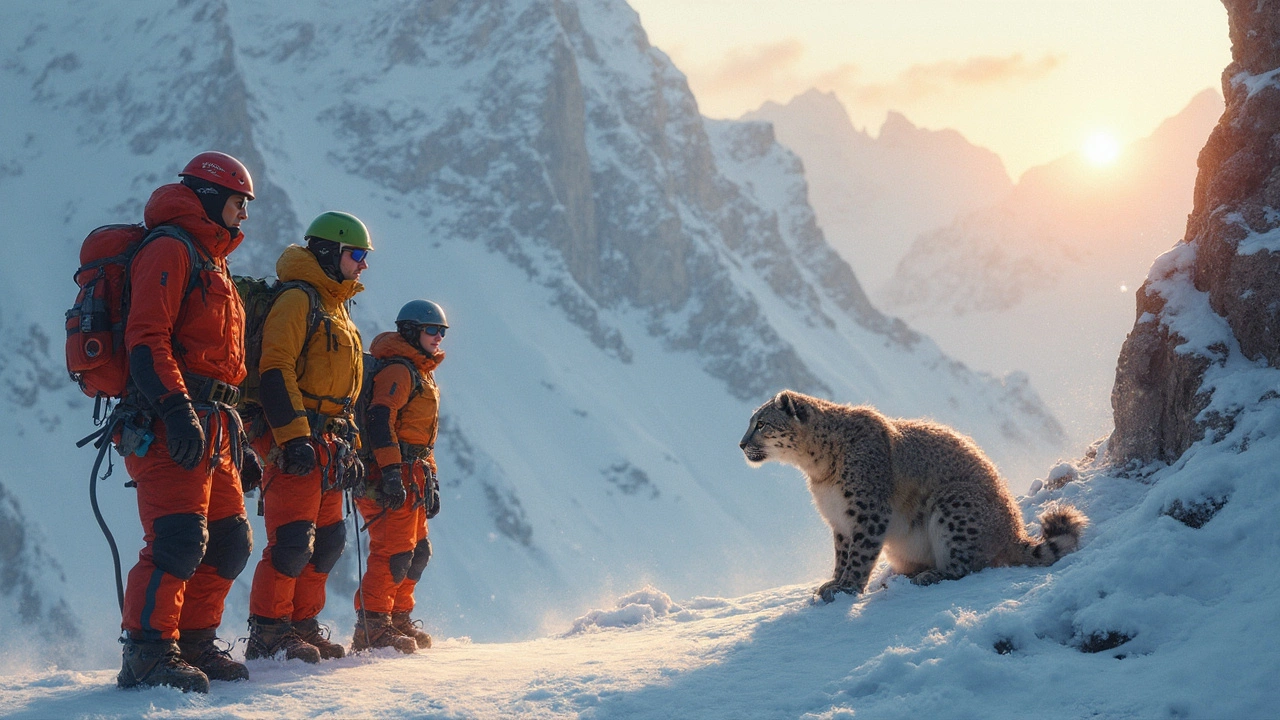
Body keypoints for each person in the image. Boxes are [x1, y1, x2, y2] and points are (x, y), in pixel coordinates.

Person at [117, 151, 258, 693]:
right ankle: (148, 653)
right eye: (237, 202)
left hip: (215, 423)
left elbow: (222, 363)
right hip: (167, 419)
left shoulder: (211, 257)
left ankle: (195, 640)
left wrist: (237, 433)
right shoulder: (170, 249)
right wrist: (175, 411)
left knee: (229, 541)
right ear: (207, 195)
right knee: (177, 539)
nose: (242, 214)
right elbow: (146, 338)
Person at [245, 211, 371, 663]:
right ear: (329, 252)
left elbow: (344, 391)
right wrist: (293, 438)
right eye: (357, 255)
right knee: (294, 539)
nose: (363, 265)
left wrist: (351, 444)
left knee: (329, 540)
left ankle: (300, 623)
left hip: (330, 446)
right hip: (295, 442)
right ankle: (269, 632)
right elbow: (275, 367)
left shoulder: (336, 307)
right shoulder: (299, 300)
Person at [352, 300, 447, 654]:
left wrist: (431, 480)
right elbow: (380, 420)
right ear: (411, 331)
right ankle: (372, 627)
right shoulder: (400, 371)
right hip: (390, 475)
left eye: (441, 331)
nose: (438, 337)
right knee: (393, 552)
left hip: (415, 475)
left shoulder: (421, 372)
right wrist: (391, 472)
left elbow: (422, 437)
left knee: (417, 551)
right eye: (431, 330)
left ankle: (397, 616)